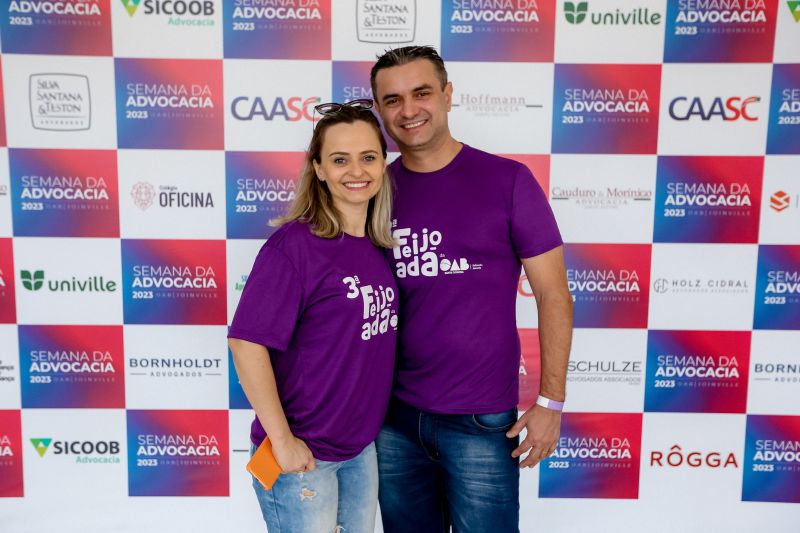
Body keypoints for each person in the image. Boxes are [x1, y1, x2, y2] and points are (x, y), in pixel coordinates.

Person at [370, 46, 573, 532]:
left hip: (481, 420)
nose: (408, 110)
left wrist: (550, 402)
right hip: (392, 421)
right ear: (378, 110)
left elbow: (554, 295)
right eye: (392, 99)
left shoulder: (507, 181)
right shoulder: (373, 192)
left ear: (447, 95)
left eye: (421, 93)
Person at [227, 101, 398, 533]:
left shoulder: (376, 247)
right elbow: (246, 343)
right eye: (339, 159)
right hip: (303, 456)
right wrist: (282, 441)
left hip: (358, 450)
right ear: (318, 169)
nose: (355, 171)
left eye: (368, 157)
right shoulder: (295, 246)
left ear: (383, 164)